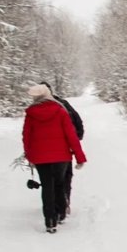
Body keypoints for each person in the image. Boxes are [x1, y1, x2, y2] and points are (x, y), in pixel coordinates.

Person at [22, 85, 86, 233]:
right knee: (59, 184)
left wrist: (29, 155)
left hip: (40, 156)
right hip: (61, 156)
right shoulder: (60, 111)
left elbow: (27, 137)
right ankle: (61, 213)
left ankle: (50, 221)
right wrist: (79, 157)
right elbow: (71, 135)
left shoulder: (31, 113)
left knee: (46, 187)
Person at [41, 81, 83, 216]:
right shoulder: (63, 105)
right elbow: (77, 121)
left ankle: (52, 206)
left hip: (43, 151)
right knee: (65, 176)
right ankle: (64, 202)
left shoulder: (35, 108)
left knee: (48, 179)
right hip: (64, 149)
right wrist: (77, 139)